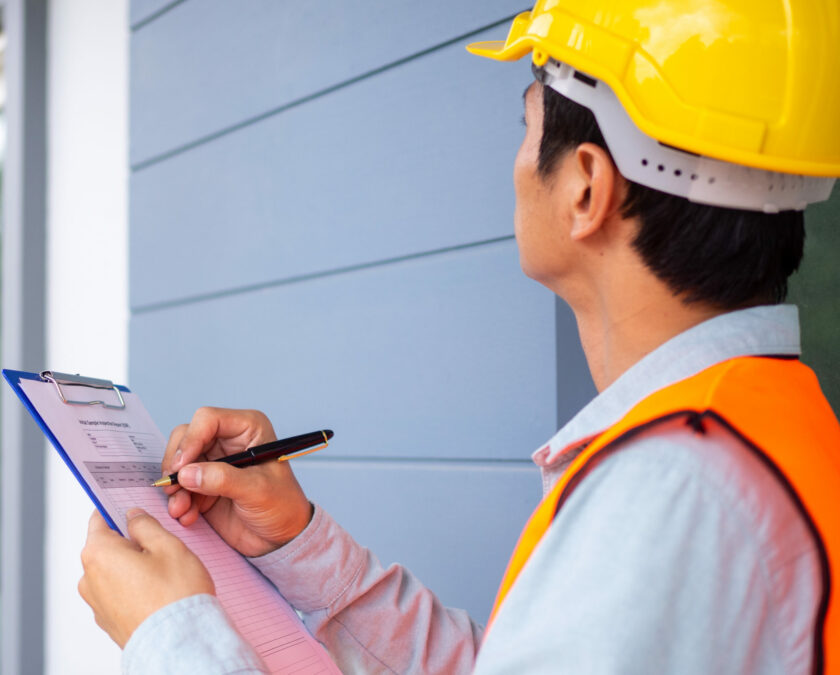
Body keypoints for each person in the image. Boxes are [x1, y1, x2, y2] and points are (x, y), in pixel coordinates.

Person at [77, 1, 840, 672]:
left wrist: (168, 637)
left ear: (585, 186)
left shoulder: (676, 492)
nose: (512, 163)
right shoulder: (754, 434)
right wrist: (298, 545)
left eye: (526, 124)